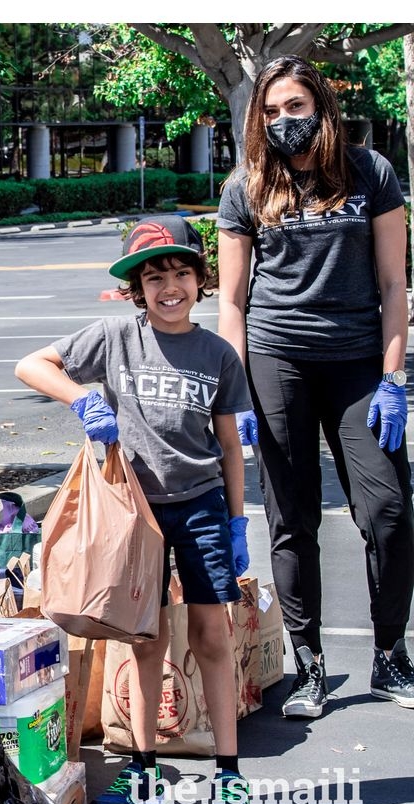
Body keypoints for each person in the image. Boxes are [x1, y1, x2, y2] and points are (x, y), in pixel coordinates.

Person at [16, 216, 254, 804]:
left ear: (201, 280)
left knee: (211, 636)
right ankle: (145, 768)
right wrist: (82, 398)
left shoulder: (218, 354)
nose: (169, 287)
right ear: (136, 288)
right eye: (154, 277)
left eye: (181, 273)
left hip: (200, 506)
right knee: (143, 639)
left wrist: (235, 520)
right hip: (133, 514)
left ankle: (229, 776)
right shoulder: (115, 338)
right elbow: (31, 365)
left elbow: (229, 445)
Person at [216, 55, 414, 718]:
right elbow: (234, 302)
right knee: (290, 520)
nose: (282, 121)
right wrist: (235, 390)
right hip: (278, 363)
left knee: (387, 512)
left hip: (359, 364)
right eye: (271, 112)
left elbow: (393, 286)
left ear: (321, 108)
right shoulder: (247, 187)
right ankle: (311, 668)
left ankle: (390, 655)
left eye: (294, 107)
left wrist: (394, 379)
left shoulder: (370, 173)